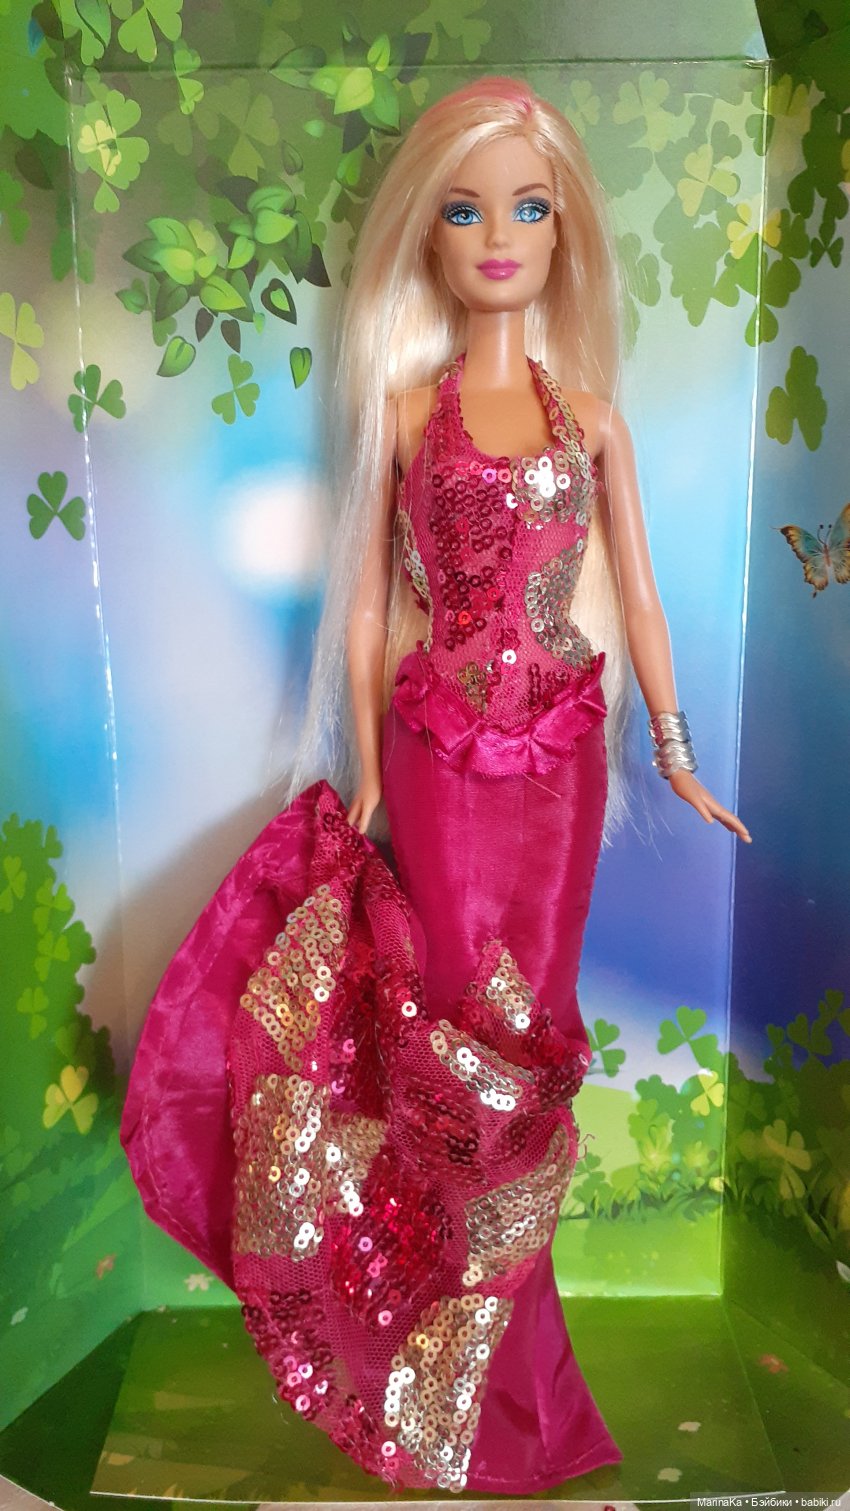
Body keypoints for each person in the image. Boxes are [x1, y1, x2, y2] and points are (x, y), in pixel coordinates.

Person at [120, 76, 750, 1497]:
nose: (498, 237)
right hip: (437, 760)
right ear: (430, 235)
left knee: (533, 1046)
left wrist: (673, 753)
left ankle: (504, 1374)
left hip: (560, 766)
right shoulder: (409, 414)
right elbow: (363, 606)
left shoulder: (593, 422)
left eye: (526, 208)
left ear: (564, 230)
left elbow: (642, 599)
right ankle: (450, 1372)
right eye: (467, 212)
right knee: (453, 1040)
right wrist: (356, 776)